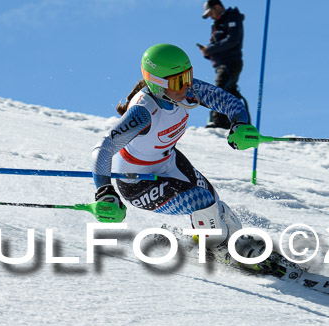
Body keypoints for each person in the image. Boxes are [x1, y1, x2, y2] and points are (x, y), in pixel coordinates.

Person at [90, 43, 259, 250]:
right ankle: (219, 251)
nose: (187, 87)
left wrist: (239, 124)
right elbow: (104, 148)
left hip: (168, 162)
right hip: (137, 183)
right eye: (179, 82)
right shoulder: (143, 112)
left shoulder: (186, 92)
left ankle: (234, 244)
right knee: (202, 202)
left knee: (215, 205)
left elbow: (230, 102)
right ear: (157, 84)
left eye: (188, 77)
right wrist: (105, 191)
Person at [198, 0, 247, 129]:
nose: (210, 16)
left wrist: (210, 49)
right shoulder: (217, 25)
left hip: (230, 63)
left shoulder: (231, 19)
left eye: (210, 12)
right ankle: (234, 122)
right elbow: (220, 46)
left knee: (220, 89)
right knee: (230, 91)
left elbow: (232, 40)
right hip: (222, 64)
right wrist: (208, 52)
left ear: (218, 7)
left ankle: (219, 122)